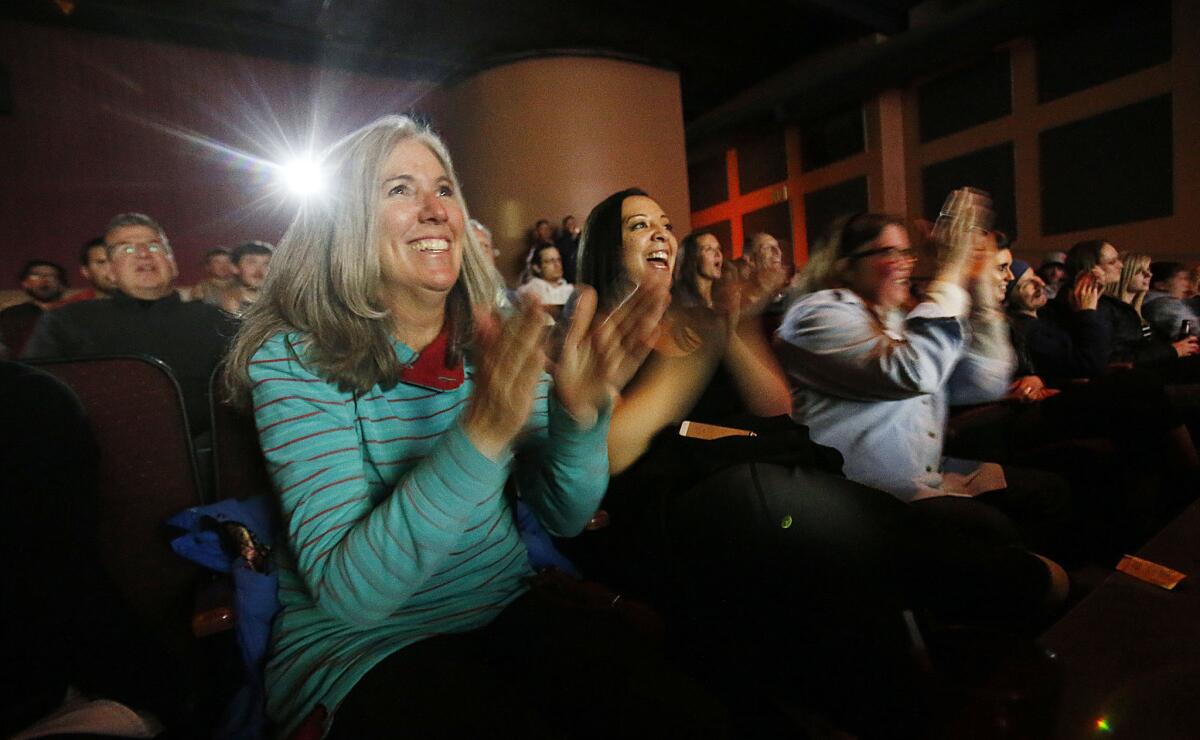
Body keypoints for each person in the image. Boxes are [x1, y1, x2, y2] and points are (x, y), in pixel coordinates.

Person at [221, 116, 723, 739]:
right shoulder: (293, 357)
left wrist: (579, 419)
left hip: (506, 605)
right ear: (342, 225)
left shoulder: (496, 333)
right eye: (399, 190)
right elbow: (351, 597)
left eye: (445, 189)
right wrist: (481, 434)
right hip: (361, 648)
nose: (434, 210)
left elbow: (566, 516)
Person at [564, 188, 1066, 738]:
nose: (661, 233)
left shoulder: (694, 321)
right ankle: (1006, 584)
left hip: (751, 478)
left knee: (807, 528)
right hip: (668, 507)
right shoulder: (585, 333)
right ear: (605, 251)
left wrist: (737, 326)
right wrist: (706, 341)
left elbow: (774, 409)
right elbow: (613, 452)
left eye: (664, 223)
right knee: (762, 496)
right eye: (638, 226)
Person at [776, 200, 1072, 555]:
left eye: (907, 253)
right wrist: (950, 270)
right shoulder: (817, 314)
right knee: (993, 531)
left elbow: (982, 381)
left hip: (929, 477)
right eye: (889, 253)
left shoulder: (899, 319)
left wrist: (979, 292)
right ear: (846, 265)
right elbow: (913, 371)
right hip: (865, 493)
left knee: (1051, 489)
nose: (905, 264)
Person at [23, 213, 235, 436]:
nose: (143, 255)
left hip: (207, 455)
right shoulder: (65, 322)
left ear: (173, 264)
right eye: (127, 249)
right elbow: (33, 395)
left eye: (154, 247)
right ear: (112, 271)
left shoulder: (217, 321)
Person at [0, 260, 68, 356]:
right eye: (36, 275)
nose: (44, 280)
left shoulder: (72, 314)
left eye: (51, 276)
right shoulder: (11, 315)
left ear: (61, 285)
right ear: (25, 283)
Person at [1143, 261, 1200, 340]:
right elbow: (1194, 330)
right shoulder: (1164, 305)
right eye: (1182, 279)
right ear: (1161, 285)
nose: (1187, 284)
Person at [219, 241, 273, 316]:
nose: (259, 270)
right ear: (234, 267)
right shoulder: (222, 304)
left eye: (266, 263)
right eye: (251, 262)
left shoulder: (282, 304)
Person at [516, 242, 573, 313]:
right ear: (537, 267)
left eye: (558, 260)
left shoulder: (572, 290)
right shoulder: (529, 291)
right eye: (551, 261)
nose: (557, 264)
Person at [673, 230, 723, 309]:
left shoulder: (722, 299)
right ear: (693, 258)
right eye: (709, 249)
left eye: (718, 248)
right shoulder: (681, 303)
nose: (718, 254)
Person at [59, 237, 117, 304]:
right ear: (86, 271)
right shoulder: (70, 308)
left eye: (117, 261)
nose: (113, 269)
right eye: (102, 262)